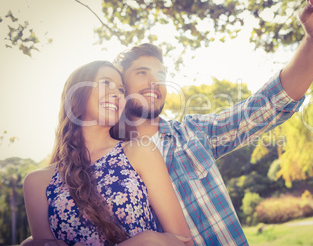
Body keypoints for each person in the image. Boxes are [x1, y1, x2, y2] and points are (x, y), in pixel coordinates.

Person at [23, 0, 313, 245]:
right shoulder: (95, 164)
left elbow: (265, 106)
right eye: (142, 73)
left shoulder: (194, 134)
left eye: (160, 75)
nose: (154, 83)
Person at [22, 61, 193, 246]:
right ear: (77, 94)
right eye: (106, 83)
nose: (117, 94)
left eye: (121, 90)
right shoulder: (37, 182)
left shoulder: (141, 151)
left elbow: (183, 242)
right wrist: (146, 240)